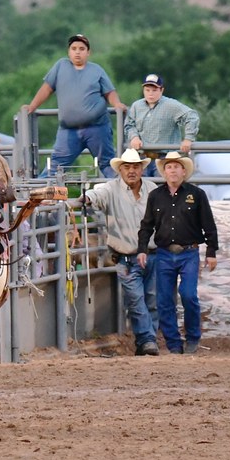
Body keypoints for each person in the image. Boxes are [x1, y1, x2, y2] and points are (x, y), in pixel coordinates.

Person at [75, 149, 160, 356]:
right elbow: (97, 195)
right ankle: (148, 340)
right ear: (120, 170)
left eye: (136, 167)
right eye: (127, 167)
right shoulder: (110, 189)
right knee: (137, 300)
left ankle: (146, 340)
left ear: (142, 168)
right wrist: (87, 198)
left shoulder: (152, 188)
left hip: (152, 253)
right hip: (126, 256)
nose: (132, 171)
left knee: (152, 300)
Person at [137, 152, 219, 354]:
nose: (172, 170)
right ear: (164, 172)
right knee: (165, 300)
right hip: (164, 253)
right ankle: (174, 344)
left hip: (189, 252)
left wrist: (211, 251)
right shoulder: (155, 196)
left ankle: (192, 337)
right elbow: (146, 225)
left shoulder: (196, 194)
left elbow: (208, 224)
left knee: (188, 295)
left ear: (184, 171)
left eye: (176, 166)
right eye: (169, 167)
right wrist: (142, 249)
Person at [25, 34, 127, 179]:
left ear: (88, 52)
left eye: (81, 48)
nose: (77, 52)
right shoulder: (61, 66)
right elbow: (46, 88)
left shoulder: (96, 70)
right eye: (74, 48)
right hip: (69, 130)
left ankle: (122, 195)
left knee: (107, 164)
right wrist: (32, 106)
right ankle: (36, 196)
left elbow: (109, 92)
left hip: (97, 128)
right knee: (56, 166)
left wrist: (117, 104)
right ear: (69, 52)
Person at [124, 73, 200, 177]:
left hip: (165, 158)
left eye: (154, 90)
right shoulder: (136, 106)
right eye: (147, 90)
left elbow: (192, 116)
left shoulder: (171, 105)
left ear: (161, 90)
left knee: (162, 190)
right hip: (141, 158)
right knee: (141, 188)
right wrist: (134, 137)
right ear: (143, 91)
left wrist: (188, 139)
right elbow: (129, 124)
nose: (150, 94)